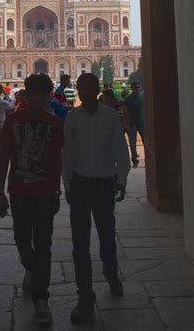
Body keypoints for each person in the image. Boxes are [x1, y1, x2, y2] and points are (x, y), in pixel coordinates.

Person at [0, 74, 65, 324]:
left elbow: (58, 159)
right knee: (22, 240)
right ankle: (32, 270)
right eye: (35, 92)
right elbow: (4, 155)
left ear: (48, 94)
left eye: (44, 93)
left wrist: (58, 190)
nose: (40, 97)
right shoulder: (14, 120)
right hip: (20, 191)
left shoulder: (54, 123)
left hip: (45, 192)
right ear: (28, 94)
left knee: (44, 245)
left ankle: (41, 298)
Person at [63, 72, 130, 324]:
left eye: (91, 88)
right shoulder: (72, 118)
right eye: (83, 89)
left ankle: (111, 273)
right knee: (80, 243)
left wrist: (121, 180)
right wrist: (67, 184)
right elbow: (66, 155)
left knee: (106, 234)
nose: (87, 93)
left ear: (98, 89)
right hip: (80, 185)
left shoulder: (110, 116)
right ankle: (85, 296)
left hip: (104, 185)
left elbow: (120, 150)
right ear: (78, 91)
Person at [123, 82, 145, 167]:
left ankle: (148, 158)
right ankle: (135, 160)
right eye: (135, 88)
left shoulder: (141, 97)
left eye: (138, 88)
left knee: (145, 141)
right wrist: (126, 123)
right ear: (132, 88)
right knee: (132, 143)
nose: (137, 89)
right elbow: (124, 111)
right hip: (132, 123)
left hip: (141, 122)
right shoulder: (128, 99)